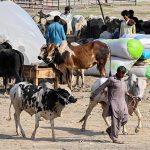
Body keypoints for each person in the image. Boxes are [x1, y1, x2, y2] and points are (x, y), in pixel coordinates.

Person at [91, 66, 134, 144]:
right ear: (118, 72)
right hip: (114, 103)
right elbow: (101, 87)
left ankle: (110, 130)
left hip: (122, 102)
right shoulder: (111, 80)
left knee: (125, 119)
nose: (123, 75)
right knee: (115, 121)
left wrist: (129, 94)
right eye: (122, 74)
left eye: (124, 74)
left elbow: (123, 89)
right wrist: (93, 95)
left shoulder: (122, 79)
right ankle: (115, 138)